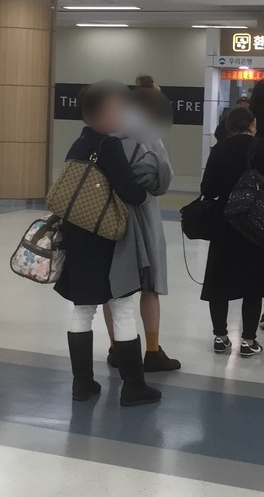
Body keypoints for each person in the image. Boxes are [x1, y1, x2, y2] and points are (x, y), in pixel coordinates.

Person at [56, 81, 159, 406]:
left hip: (76, 236)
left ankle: (82, 384)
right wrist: (144, 192)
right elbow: (130, 191)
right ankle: (133, 387)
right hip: (106, 238)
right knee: (123, 307)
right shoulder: (109, 145)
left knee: (82, 308)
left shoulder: (78, 144)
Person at [199, 106, 264, 357]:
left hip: (225, 222)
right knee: (254, 283)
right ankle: (248, 340)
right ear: (253, 123)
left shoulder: (220, 149)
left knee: (219, 282)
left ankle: (220, 337)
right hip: (257, 223)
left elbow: (208, 188)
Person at [104, 88, 180, 372]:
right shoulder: (148, 135)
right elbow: (164, 176)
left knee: (112, 287)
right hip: (144, 215)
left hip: (109, 216)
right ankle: (152, 351)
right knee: (150, 285)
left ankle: (116, 348)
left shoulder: (105, 132)